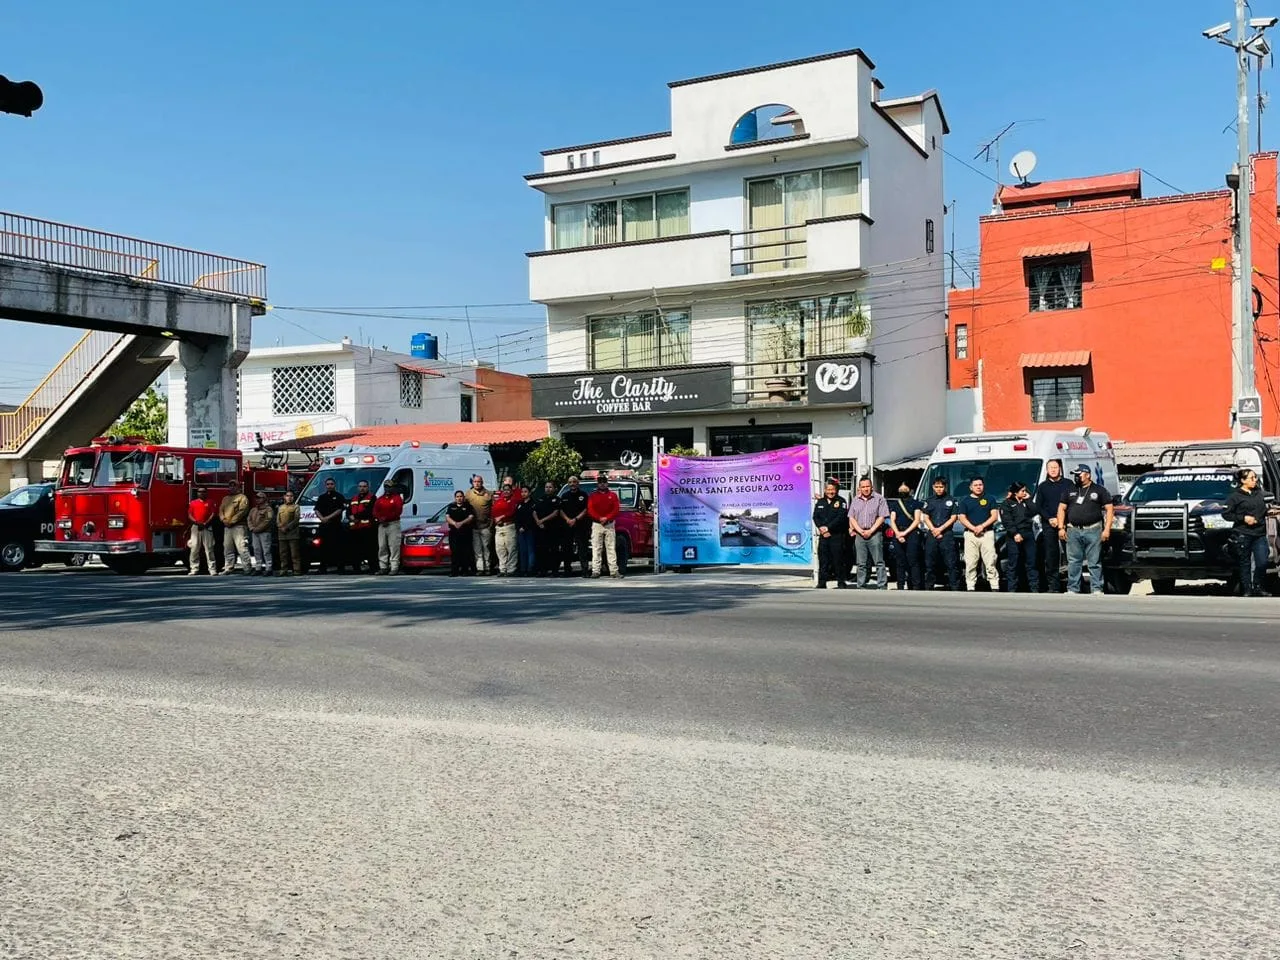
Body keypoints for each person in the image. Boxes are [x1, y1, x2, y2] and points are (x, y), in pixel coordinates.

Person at [1055, 464, 1114, 595]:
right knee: (1074, 561)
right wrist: (1061, 527)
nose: (1076, 477)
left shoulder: (1099, 490)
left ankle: (1097, 588)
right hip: (1073, 530)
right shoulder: (1070, 490)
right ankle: (1073, 588)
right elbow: (1061, 508)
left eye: (1079, 474)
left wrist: (1107, 529)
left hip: (1093, 529)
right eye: (1075, 475)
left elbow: (1109, 509)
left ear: (1087, 474)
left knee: (1094, 561)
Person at [1223, 467, 1271, 597]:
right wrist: (1243, 518)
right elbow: (1226, 514)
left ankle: (1258, 586)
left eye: (1255, 477)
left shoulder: (1259, 494)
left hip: (1259, 534)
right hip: (1243, 533)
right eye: (1251, 478)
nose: (1255, 480)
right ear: (1243, 481)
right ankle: (1247, 590)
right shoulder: (1235, 497)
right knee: (1245, 563)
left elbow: (1267, 507)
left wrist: (1271, 511)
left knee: (1262, 562)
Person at [1033, 459, 1072, 593]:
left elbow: (1072, 503)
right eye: (1050, 468)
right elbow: (1039, 506)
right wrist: (1049, 518)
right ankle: (1053, 586)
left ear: (1060, 468)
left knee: (1071, 555)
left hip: (1066, 524)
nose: (1053, 470)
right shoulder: (1043, 486)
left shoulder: (1068, 484)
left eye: (1055, 467)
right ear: (1047, 470)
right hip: (1049, 524)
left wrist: (1062, 520)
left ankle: (1073, 585)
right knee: (1051, 556)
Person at [958, 477, 1000, 591]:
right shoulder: (965, 501)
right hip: (970, 534)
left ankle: (994, 585)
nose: (978, 487)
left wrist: (982, 526)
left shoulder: (990, 499)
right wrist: (973, 528)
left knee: (990, 560)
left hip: (987, 534)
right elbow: (961, 517)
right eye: (975, 485)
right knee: (971, 561)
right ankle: (970, 585)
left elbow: (994, 516)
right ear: (971, 487)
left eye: (980, 485)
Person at [848, 477, 889, 589]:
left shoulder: (879, 499)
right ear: (859, 488)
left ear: (872, 487)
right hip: (860, 534)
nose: (865, 489)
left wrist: (871, 531)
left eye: (867, 486)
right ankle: (861, 585)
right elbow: (851, 517)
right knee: (861, 563)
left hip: (875, 533)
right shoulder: (855, 500)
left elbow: (882, 517)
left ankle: (882, 585)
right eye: (863, 487)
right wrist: (859, 530)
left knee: (879, 561)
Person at [921, 477, 960, 590]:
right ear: (933, 487)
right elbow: (926, 517)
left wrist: (940, 529)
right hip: (932, 534)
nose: (939, 489)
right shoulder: (929, 500)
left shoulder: (952, 500)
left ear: (945, 487)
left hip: (946, 534)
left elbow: (953, 518)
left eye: (941, 487)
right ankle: (929, 586)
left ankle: (954, 586)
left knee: (951, 562)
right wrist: (934, 529)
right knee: (929, 562)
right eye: (937, 487)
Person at [999, 482, 1038, 593]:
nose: (1025, 493)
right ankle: (1012, 588)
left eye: (1025, 490)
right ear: (1015, 492)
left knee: (1031, 561)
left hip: (1028, 533)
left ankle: (1034, 587)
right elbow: (1007, 520)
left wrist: (1029, 500)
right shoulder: (1007, 504)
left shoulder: (1026, 502)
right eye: (1022, 491)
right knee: (1014, 562)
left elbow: (1035, 511)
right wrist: (1015, 533)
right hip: (1014, 535)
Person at [812, 479, 849, 589]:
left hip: (836, 536)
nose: (830, 492)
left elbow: (841, 518)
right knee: (823, 560)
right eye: (828, 489)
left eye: (832, 489)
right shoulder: (820, 502)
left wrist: (828, 528)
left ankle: (841, 582)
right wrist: (821, 528)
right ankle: (822, 582)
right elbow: (815, 517)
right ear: (825, 490)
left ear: (836, 490)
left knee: (838, 560)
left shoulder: (841, 501)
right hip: (823, 536)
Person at [887, 482, 924, 590]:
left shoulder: (916, 503)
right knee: (900, 561)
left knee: (913, 560)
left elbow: (916, 520)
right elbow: (892, 520)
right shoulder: (896, 504)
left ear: (910, 490)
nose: (903, 490)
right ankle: (900, 585)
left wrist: (905, 532)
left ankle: (915, 585)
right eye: (901, 488)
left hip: (911, 533)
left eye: (905, 488)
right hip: (898, 533)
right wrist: (898, 533)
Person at [588, 475, 622, 578]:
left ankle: (614, 571)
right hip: (597, 524)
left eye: (604, 482)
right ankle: (595, 571)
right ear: (597, 484)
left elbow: (616, 509)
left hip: (609, 524)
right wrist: (599, 518)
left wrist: (606, 518)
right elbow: (590, 510)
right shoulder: (592, 496)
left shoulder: (613, 495)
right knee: (596, 548)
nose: (602, 484)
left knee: (611, 548)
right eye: (600, 482)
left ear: (607, 483)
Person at [314, 477, 348, 574]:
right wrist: (322, 518)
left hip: (335, 526)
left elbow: (339, 510)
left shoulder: (339, 496)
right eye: (328, 484)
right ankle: (322, 568)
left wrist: (327, 518)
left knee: (338, 547)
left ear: (335, 485)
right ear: (325, 485)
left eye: (331, 484)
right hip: (324, 526)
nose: (329, 486)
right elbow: (316, 509)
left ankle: (340, 568)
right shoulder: (322, 497)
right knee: (323, 548)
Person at [560, 475, 591, 577]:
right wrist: (567, 519)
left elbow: (586, 509)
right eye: (570, 482)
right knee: (566, 548)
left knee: (583, 548)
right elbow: (560, 510)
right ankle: (567, 570)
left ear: (578, 483)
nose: (572, 484)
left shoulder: (584, 495)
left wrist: (576, 519)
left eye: (574, 482)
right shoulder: (564, 496)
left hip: (581, 525)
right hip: (567, 525)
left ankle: (585, 571)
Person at [218, 480, 252, 575]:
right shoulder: (225, 498)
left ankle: (247, 568)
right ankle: (228, 567)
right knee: (228, 548)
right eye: (230, 486)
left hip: (239, 526)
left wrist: (232, 521)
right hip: (227, 527)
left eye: (234, 486)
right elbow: (221, 510)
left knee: (242, 547)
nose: (232, 488)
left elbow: (243, 511)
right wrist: (223, 520)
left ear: (239, 487)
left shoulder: (242, 498)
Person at [465, 475, 495, 576]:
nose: (477, 483)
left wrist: (491, 524)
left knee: (486, 548)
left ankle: (487, 568)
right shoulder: (468, 494)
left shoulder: (489, 494)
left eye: (479, 481)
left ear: (482, 482)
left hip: (486, 526)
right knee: (477, 549)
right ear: (472, 483)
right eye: (475, 482)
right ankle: (480, 569)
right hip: (474, 527)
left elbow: (494, 509)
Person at [532, 481, 564, 576]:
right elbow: (534, 511)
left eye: (550, 487)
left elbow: (555, 513)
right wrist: (538, 521)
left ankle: (555, 570)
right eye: (546, 487)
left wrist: (542, 520)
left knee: (554, 550)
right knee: (542, 550)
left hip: (553, 529)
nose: (548, 489)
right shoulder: (540, 499)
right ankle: (542, 570)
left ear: (554, 489)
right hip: (541, 529)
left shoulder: (557, 500)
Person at [373, 479, 404, 575]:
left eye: (389, 487)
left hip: (393, 524)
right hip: (382, 525)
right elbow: (375, 511)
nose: (387, 489)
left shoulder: (397, 498)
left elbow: (398, 510)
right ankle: (383, 567)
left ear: (393, 487)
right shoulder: (380, 499)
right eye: (386, 486)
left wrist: (386, 518)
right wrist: (379, 519)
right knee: (382, 546)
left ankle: (394, 567)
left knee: (394, 546)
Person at [347, 480, 377, 574]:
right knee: (355, 550)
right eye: (360, 486)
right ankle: (356, 569)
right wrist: (350, 517)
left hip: (367, 528)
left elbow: (369, 511)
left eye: (364, 486)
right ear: (357, 488)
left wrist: (355, 517)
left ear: (368, 487)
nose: (362, 488)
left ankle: (373, 568)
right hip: (355, 529)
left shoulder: (372, 497)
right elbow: (348, 511)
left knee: (370, 550)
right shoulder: (353, 498)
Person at [445, 489, 477, 576]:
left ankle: (465, 571)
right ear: (455, 498)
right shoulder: (451, 506)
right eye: (457, 497)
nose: (459, 498)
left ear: (463, 497)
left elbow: (471, 517)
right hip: (454, 533)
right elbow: (447, 517)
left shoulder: (468, 506)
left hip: (465, 533)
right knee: (455, 552)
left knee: (465, 552)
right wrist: (455, 523)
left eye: (461, 496)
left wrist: (461, 523)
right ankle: (454, 571)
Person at [491, 480, 520, 576]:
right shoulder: (499, 501)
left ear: (511, 491)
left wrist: (502, 516)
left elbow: (512, 511)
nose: (506, 491)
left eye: (508, 490)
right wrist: (495, 519)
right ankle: (502, 569)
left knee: (511, 548)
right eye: (505, 490)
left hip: (509, 526)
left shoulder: (514, 500)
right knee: (500, 549)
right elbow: (493, 511)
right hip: (499, 527)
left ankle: (511, 569)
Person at [186, 486, 216, 576]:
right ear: (197, 493)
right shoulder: (193, 503)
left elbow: (213, 514)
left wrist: (206, 523)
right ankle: (194, 568)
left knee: (209, 548)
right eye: (199, 491)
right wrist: (196, 522)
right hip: (196, 527)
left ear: (206, 493)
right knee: (194, 548)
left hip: (207, 527)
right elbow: (189, 514)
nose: (201, 493)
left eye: (203, 491)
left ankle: (212, 569)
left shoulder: (210, 502)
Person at [246, 491, 275, 576]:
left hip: (265, 532)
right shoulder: (253, 509)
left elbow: (268, 521)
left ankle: (269, 567)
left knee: (266, 550)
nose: (257, 499)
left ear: (264, 499)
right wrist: (251, 528)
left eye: (259, 498)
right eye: (256, 498)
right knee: (256, 550)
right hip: (254, 532)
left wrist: (258, 529)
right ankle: (258, 567)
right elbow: (249, 519)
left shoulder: (268, 509)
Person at [275, 490, 302, 576]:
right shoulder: (281, 507)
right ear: (284, 497)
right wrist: (280, 527)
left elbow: (296, 519)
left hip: (293, 534)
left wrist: (287, 527)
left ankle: (297, 570)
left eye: (291, 496)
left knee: (294, 554)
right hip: (282, 534)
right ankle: (284, 570)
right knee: (283, 553)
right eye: (287, 496)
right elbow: (277, 520)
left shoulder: (296, 507)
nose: (289, 498)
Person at [515, 485, 538, 576]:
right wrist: (519, 527)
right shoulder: (520, 504)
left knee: (530, 550)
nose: (523, 493)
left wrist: (525, 527)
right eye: (522, 492)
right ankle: (523, 569)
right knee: (522, 550)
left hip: (530, 529)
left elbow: (532, 517)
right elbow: (517, 517)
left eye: (525, 492)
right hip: (520, 531)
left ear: (529, 493)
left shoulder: (533, 503)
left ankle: (530, 569)